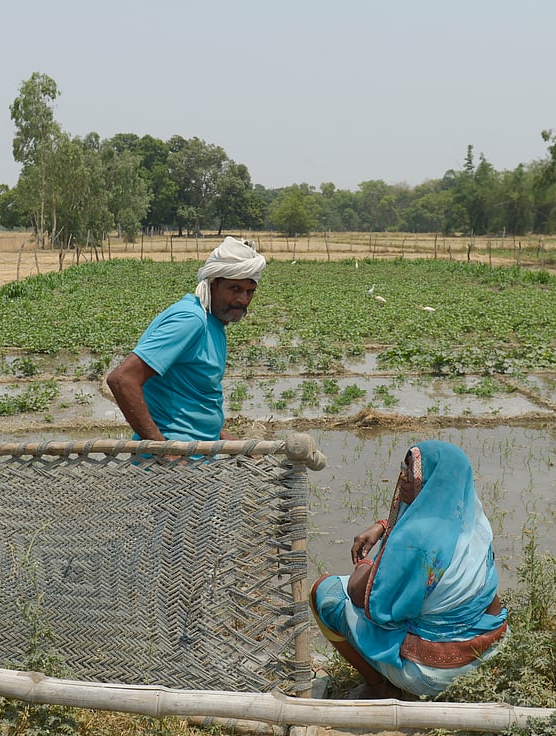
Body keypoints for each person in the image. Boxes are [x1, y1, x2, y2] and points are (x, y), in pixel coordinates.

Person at [309, 439, 508, 699]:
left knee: (327, 593)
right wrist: (385, 526)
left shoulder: (415, 540)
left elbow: (362, 596)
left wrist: (371, 562)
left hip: (434, 673)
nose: (402, 478)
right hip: (491, 649)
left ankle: (378, 686)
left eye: (413, 472)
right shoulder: (475, 521)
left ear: (433, 482)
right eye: (404, 468)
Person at [106, 236, 265, 442]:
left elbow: (191, 402)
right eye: (234, 289)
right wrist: (163, 452)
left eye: (249, 292)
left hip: (197, 456)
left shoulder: (212, 323)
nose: (243, 299)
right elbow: (122, 379)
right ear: (213, 284)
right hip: (177, 463)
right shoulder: (191, 320)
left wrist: (232, 443)